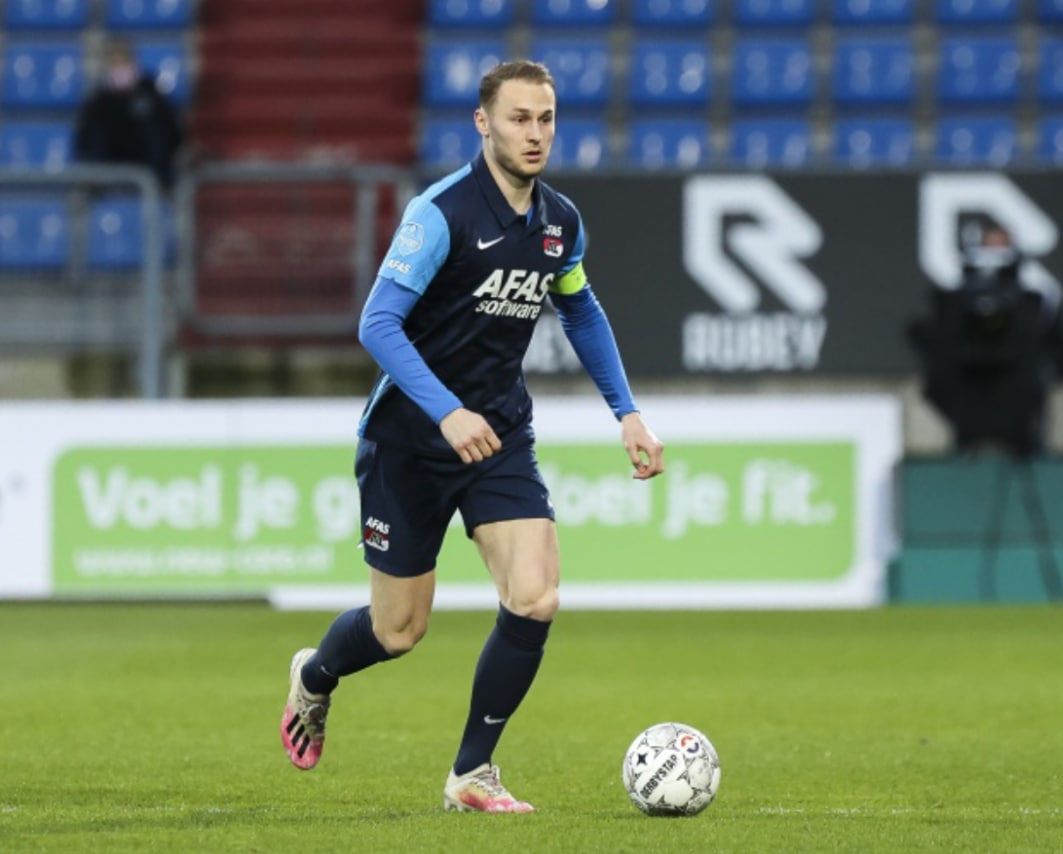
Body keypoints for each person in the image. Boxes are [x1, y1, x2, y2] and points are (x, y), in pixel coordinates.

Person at [278, 59, 665, 814]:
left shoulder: (559, 224)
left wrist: (626, 411)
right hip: (411, 441)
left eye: (546, 118)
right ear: (483, 123)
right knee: (398, 631)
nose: (535, 133)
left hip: (498, 436)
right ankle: (316, 676)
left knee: (537, 595)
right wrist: (446, 411)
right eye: (519, 118)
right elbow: (377, 323)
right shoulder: (439, 214)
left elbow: (580, 310)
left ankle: (472, 773)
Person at [907, 222, 1063, 458]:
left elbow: (1061, 355)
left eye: (1001, 244)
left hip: (1019, 404)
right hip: (968, 401)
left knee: (1028, 452)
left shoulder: (1034, 299)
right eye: (989, 244)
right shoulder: (950, 299)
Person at [73, 39, 184, 190]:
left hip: (151, 172)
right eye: (114, 64)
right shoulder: (98, 103)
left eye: (123, 62)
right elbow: (85, 141)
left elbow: (173, 134)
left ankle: (159, 184)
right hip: (110, 172)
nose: (119, 69)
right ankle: (98, 186)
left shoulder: (152, 96)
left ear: (134, 63)